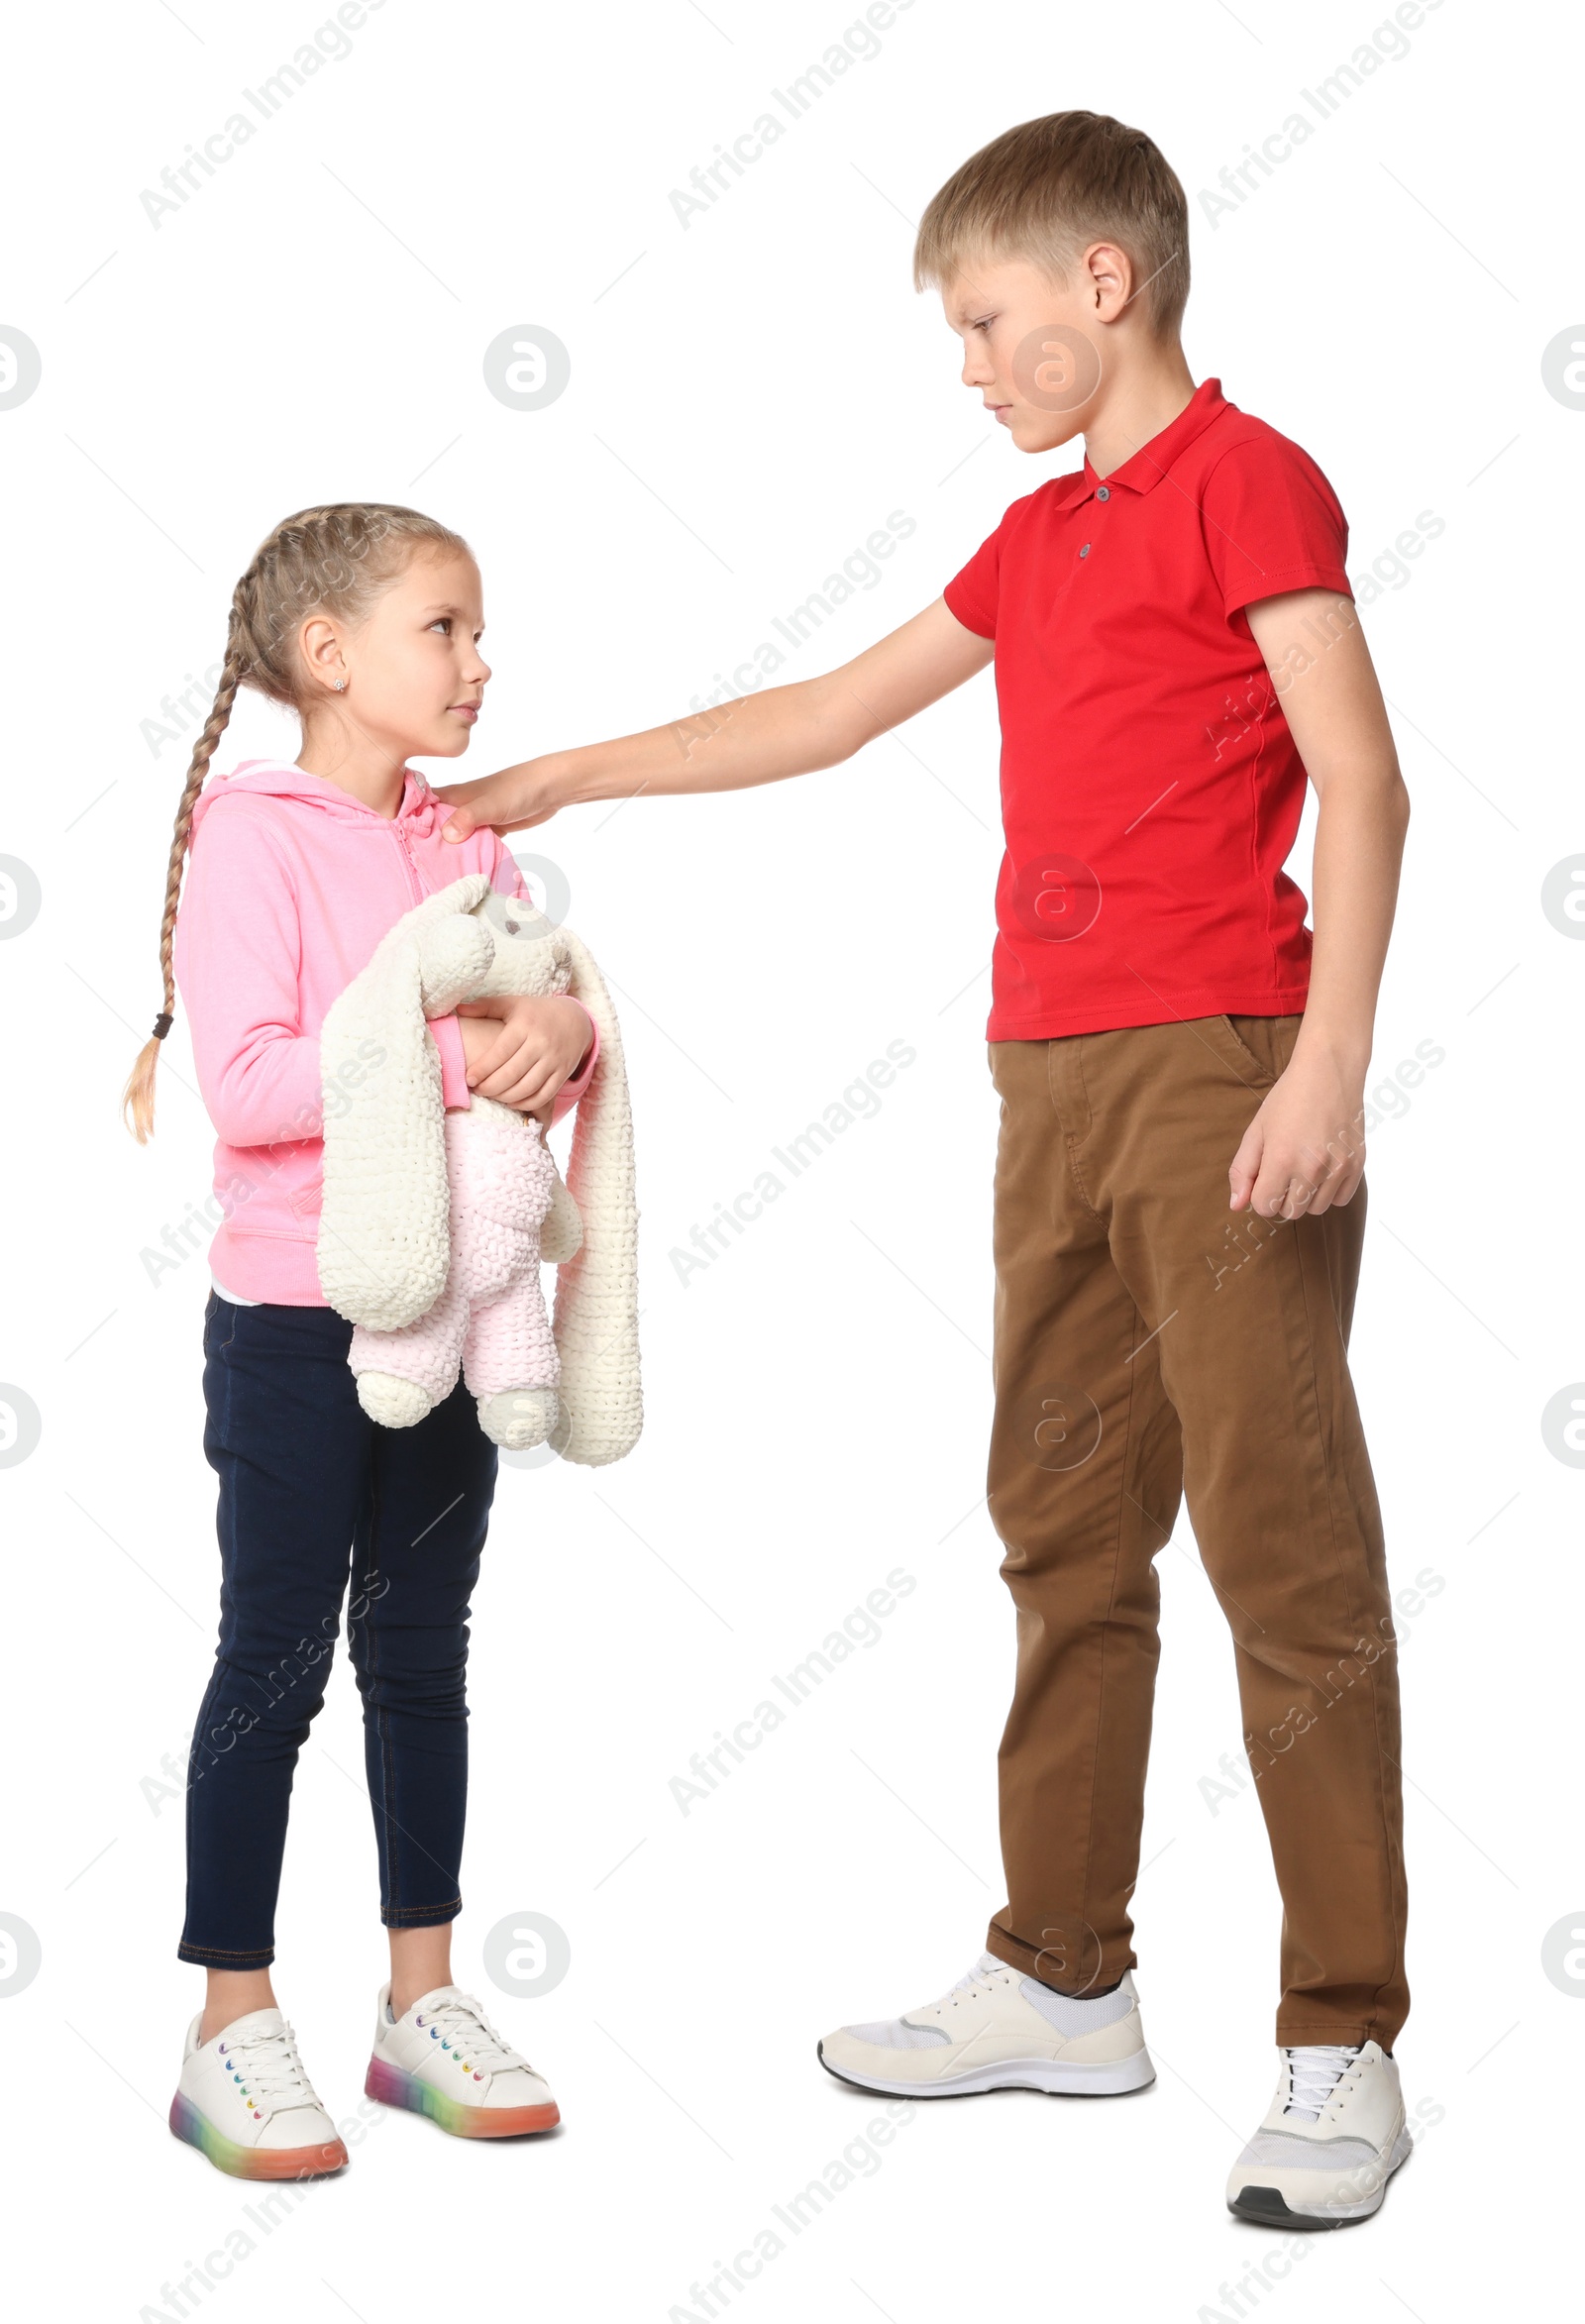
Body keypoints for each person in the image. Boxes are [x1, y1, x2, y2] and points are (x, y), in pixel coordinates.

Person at [437, 114, 1415, 2226]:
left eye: (980, 321)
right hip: (1044, 1077)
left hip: (1218, 1065)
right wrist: (558, 772)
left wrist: (1324, 1069)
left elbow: (1360, 777)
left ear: (1100, 281)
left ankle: (1340, 2041)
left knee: (1280, 1553)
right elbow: (829, 710)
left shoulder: (1244, 480)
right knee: (1059, 1532)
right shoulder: (1034, 538)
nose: (964, 364)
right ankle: (1061, 1979)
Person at [125, 502, 597, 2178]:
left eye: (478, 632)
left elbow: (544, 1014)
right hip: (294, 1322)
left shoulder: (463, 840)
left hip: (452, 1314)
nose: (479, 663)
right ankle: (230, 2020)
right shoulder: (254, 840)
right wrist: (474, 1049)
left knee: (420, 1655)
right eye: (446, 630)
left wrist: (560, 1021)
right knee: (276, 1657)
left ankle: (419, 2002)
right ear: (332, 657)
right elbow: (248, 1086)